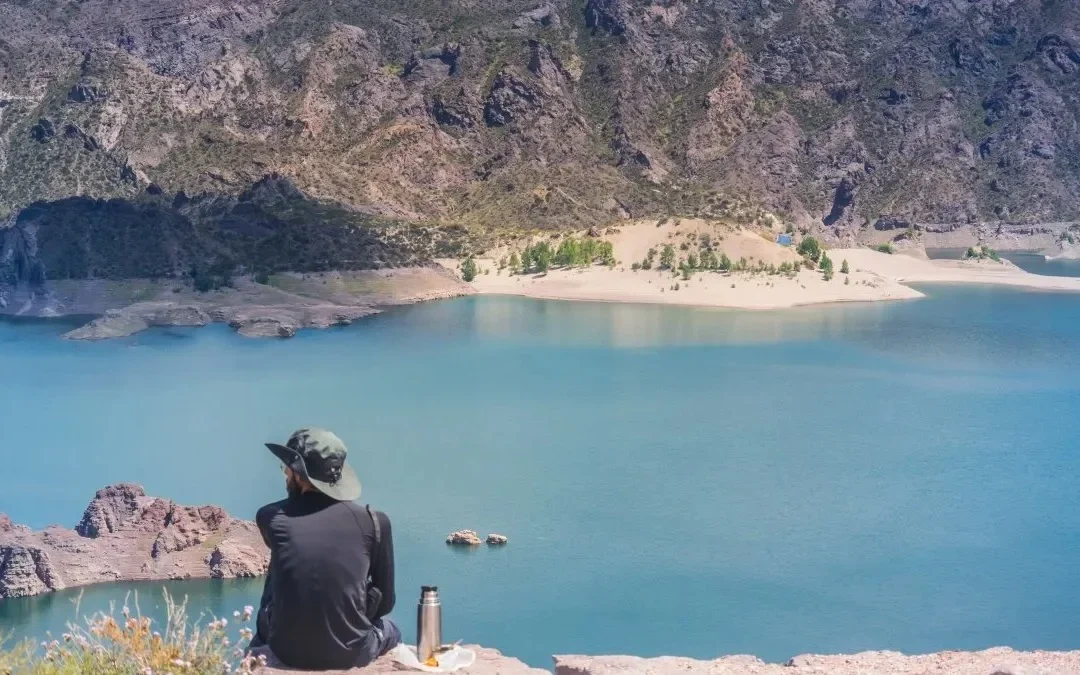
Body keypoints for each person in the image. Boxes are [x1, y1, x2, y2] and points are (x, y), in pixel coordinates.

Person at [249, 428, 400, 670]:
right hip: (353, 653)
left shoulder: (270, 517)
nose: (285, 474)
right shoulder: (375, 522)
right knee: (392, 629)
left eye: (287, 468)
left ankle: (256, 655)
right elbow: (386, 602)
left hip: (285, 650)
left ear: (298, 474)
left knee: (275, 577)